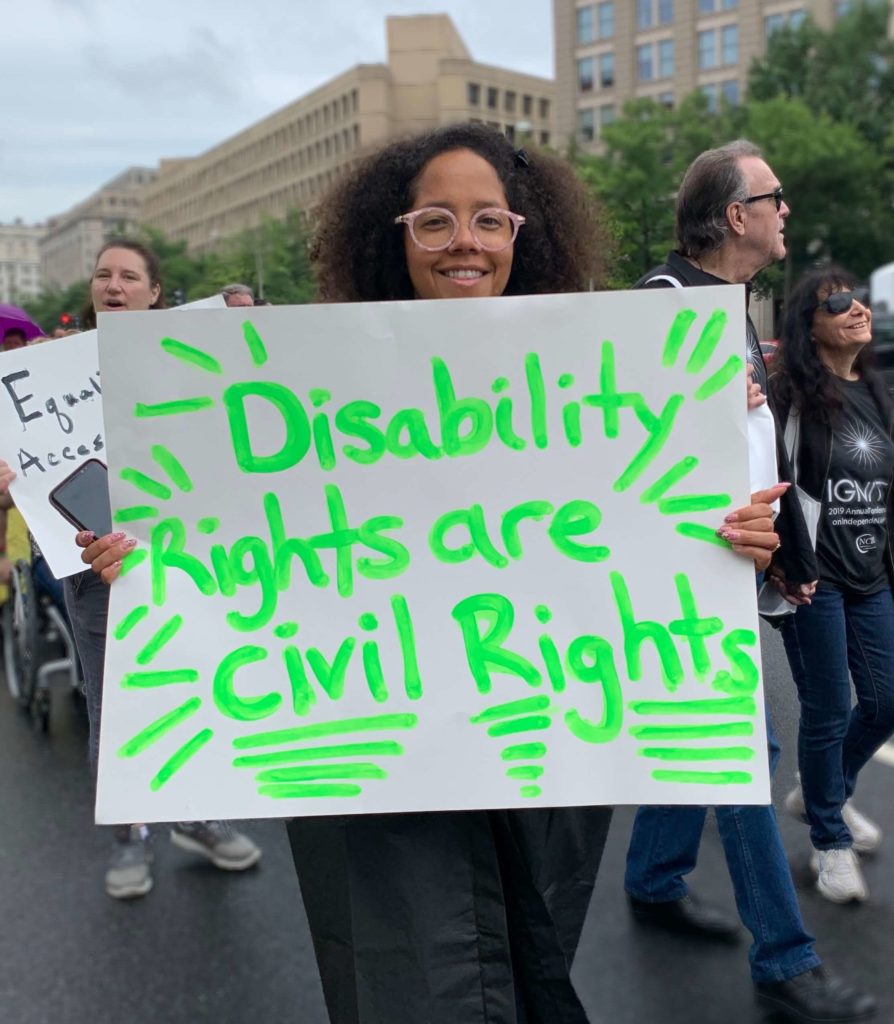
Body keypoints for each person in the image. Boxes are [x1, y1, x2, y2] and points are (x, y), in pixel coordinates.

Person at [77, 125, 783, 1023]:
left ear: (524, 233)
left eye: (490, 218)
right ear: (392, 234)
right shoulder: (310, 382)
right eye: (435, 220)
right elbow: (224, 528)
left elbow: (645, 528)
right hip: (380, 765)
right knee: (416, 979)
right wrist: (143, 564)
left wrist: (733, 537)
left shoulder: (604, 378)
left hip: (538, 734)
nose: (466, 241)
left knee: (526, 963)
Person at [624, 141, 876, 1024]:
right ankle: (786, 961)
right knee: (740, 755)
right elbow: (616, 444)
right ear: (736, 216)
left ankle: (653, 877)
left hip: (733, 568)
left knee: (724, 745)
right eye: (776, 197)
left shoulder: (725, 309)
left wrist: (786, 566)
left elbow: (747, 457)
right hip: (681, 582)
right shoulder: (661, 309)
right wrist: (680, 406)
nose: (785, 213)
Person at [0, 239, 262, 900]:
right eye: (102, 275)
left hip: (196, 564)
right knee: (115, 710)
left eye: (129, 276)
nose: (113, 285)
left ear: (154, 293)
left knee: (197, 694)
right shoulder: (43, 375)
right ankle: (130, 837)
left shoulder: (190, 362)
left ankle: (195, 817)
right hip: (93, 572)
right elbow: (21, 482)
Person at [771, 265, 894, 904]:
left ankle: (822, 790)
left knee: (889, 704)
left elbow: (892, 498)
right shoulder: (789, 394)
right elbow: (766, 476)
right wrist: (785, 561)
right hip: (816, 578)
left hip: (870, 577)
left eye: (858, 297)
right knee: (830, 709)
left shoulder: (879, 395)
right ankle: (830, 840)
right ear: (810, 324)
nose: (856, 307)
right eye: (837, 301)